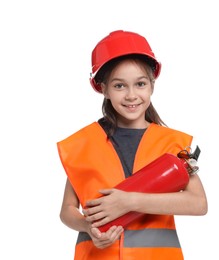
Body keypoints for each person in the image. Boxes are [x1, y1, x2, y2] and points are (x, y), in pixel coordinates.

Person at [57, 30, 208, 260]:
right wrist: (88, 227)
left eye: (140, 84)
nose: (131, 95)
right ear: (103, 88)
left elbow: (198, 204)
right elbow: (67, 210)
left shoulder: (171, 143)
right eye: (119, 86)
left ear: (152, 85)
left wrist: (130, 201)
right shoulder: (84, 144)